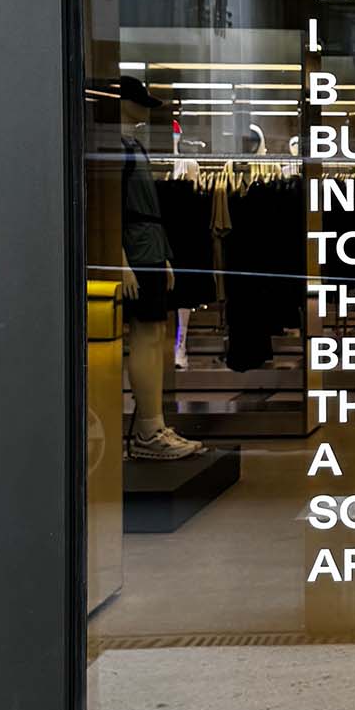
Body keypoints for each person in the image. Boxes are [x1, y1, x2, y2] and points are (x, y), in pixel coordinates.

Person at [117, 76, 205, 463]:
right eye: (138, 102)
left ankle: (153, 424)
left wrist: (164, 254)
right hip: (135, 251)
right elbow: (108, 209)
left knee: (155, 335)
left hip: (149, 250)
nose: (144, 108)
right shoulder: (115, 148)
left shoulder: (131, 146)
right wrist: (119, 260)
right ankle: (148, 430)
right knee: (145, 336)